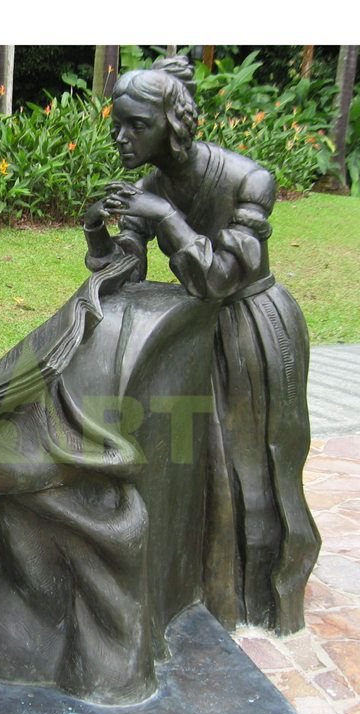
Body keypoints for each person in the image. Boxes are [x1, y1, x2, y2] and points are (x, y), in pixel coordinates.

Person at [82, 56, 320, 636]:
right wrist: (97, 230)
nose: (120, 137)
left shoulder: (249, 180)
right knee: (195, 460)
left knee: (254, 466)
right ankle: (193, 580)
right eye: (117, 123)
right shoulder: (148, 186)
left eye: (135, 125)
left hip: (251, 330)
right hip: (191, 333)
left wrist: (166, 217)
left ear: (174, 121)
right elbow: (128, 272)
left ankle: (261, 594)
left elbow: (222, 278)